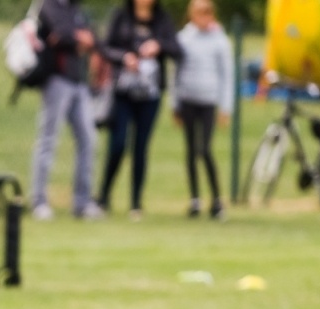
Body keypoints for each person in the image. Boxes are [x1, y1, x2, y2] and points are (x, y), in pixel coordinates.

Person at [97, 0, 182, 218]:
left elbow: (177, 49)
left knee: (140, 148)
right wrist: (124, 57)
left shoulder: (161, 19)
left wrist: (159, 46)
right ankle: (103, 196)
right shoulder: (121, 16)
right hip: (123, 92)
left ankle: (135, 203)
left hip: (150, 94)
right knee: (117, 144)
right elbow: (105, 47)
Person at [29, 0, 102, 221]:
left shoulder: (76, 8)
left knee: (89, 139)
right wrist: (76, 38)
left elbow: (93, 38)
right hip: (57, 79)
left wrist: (78, 38)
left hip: (78, 81)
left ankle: (82, 202)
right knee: (48, 139)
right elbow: (60, 33)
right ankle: (39, 200)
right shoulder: (48, 5)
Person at [174, 0, 233, 220]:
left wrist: (225, 107)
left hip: (208, 100)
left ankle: (217, 200)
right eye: (199, 13)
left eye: (207, 13)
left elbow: (226, 75)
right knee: (190, 150)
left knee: (204, 149)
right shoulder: (184, 38)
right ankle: (195, 199)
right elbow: (177, 74)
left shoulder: (219, 40)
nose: (204, 17)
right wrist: (174, 104)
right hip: (188, 99)